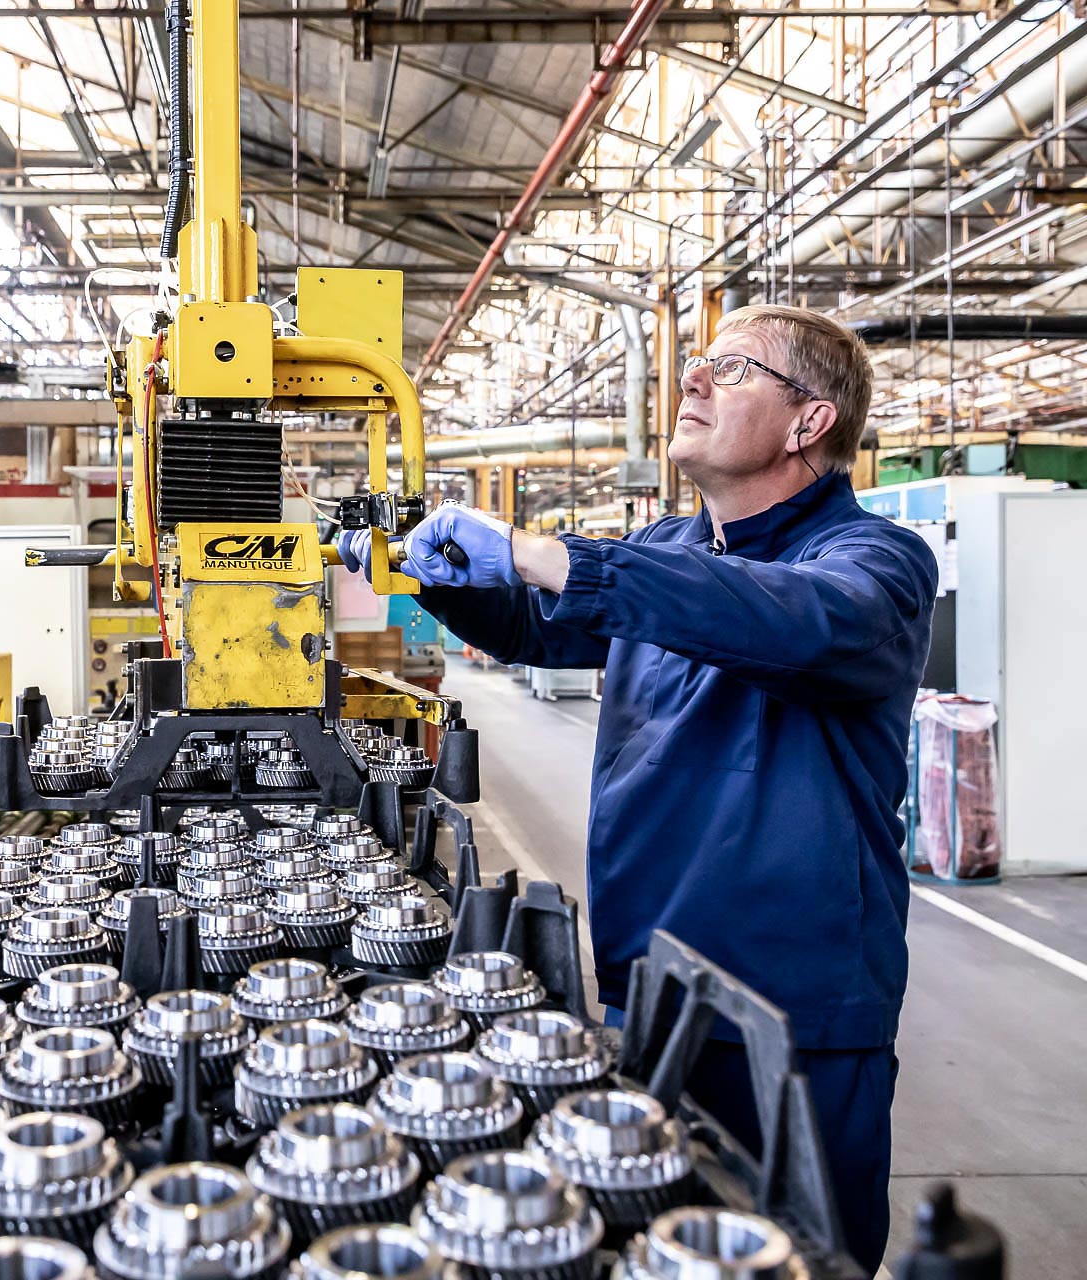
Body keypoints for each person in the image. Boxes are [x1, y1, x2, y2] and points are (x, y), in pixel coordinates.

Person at [339, 304, 936, 1272]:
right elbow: (542, 628)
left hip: (793, 1031)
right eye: (698, 364)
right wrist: (427, 572)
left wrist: (550, 550)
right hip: (645, 1000)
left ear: (809, 421)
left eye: (732, 369)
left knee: (794, 1255)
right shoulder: (671, 546)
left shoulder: (875, 564)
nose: (692, 381)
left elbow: (789, 621)